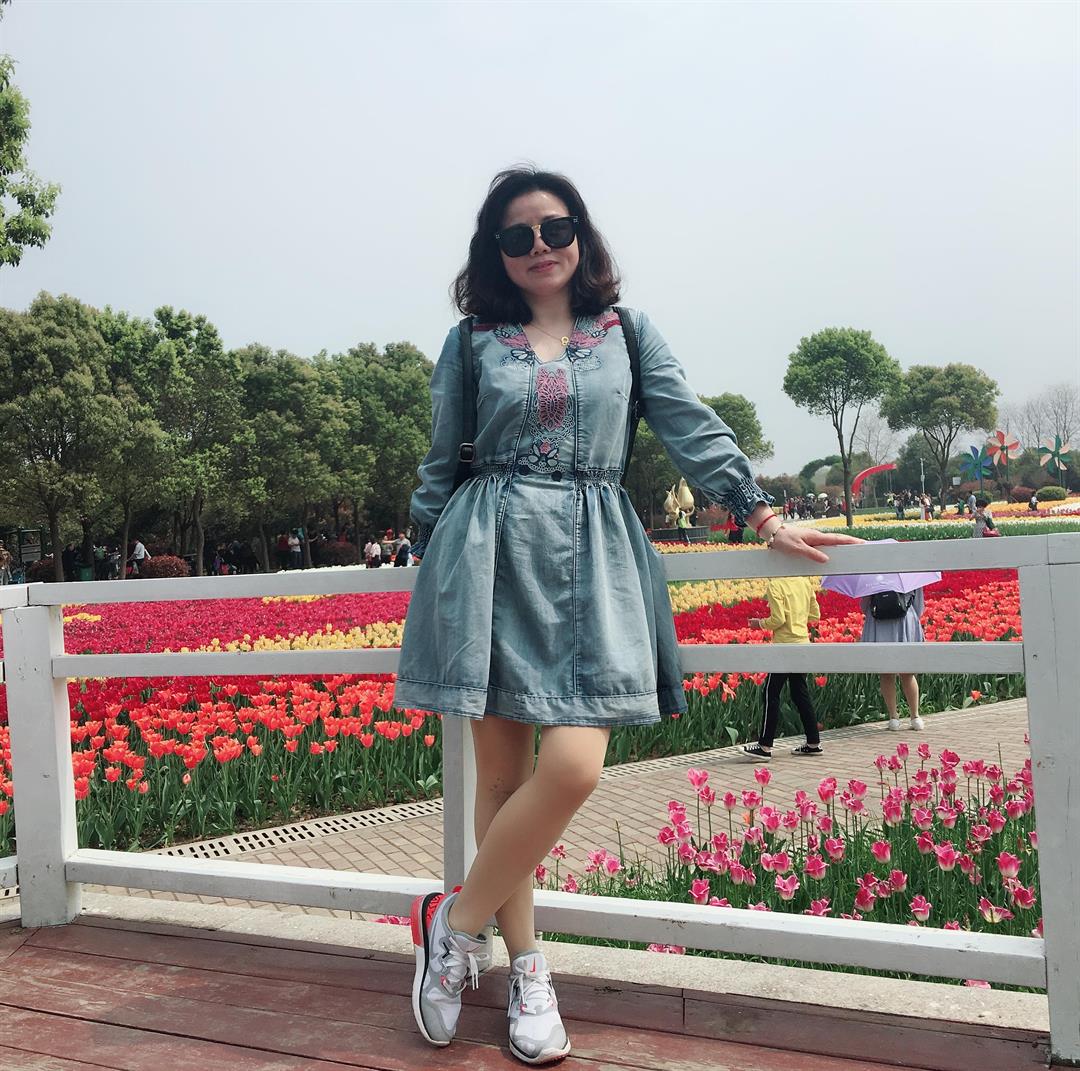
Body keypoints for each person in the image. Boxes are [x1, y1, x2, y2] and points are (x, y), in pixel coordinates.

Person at [393, 167, 860, 1064]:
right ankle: (529, 968)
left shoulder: (627, 333)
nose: (539, 247)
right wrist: (424, 555)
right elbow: (441, 459)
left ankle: (452, 923)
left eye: (555, 228)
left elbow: (689, 424)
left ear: (582, 234)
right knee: (502, 778)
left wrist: (761, 513)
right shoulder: (470, 341)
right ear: (494, 251)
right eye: (517, 235)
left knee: (573, 766)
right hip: (488, 552)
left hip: (594, 554)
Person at [740, 575, 823, 760]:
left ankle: (765, 746)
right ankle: (813, 742)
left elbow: (778, 619)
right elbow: (815, 615)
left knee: (771, 693)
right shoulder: (804, 581)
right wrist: (798, 619)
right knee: (800, 693)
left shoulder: (776, 585)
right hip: (803, 644)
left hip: (784, 647)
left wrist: (760, 623)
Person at [860, 587, 926, 732]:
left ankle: (893, 717)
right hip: (905, 618)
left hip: (879, 621)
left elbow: (864, 605)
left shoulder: (874, 576)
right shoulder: (910, 575)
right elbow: (919, 605)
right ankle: (915, 716)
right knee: (907, 672)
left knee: (886, 672)